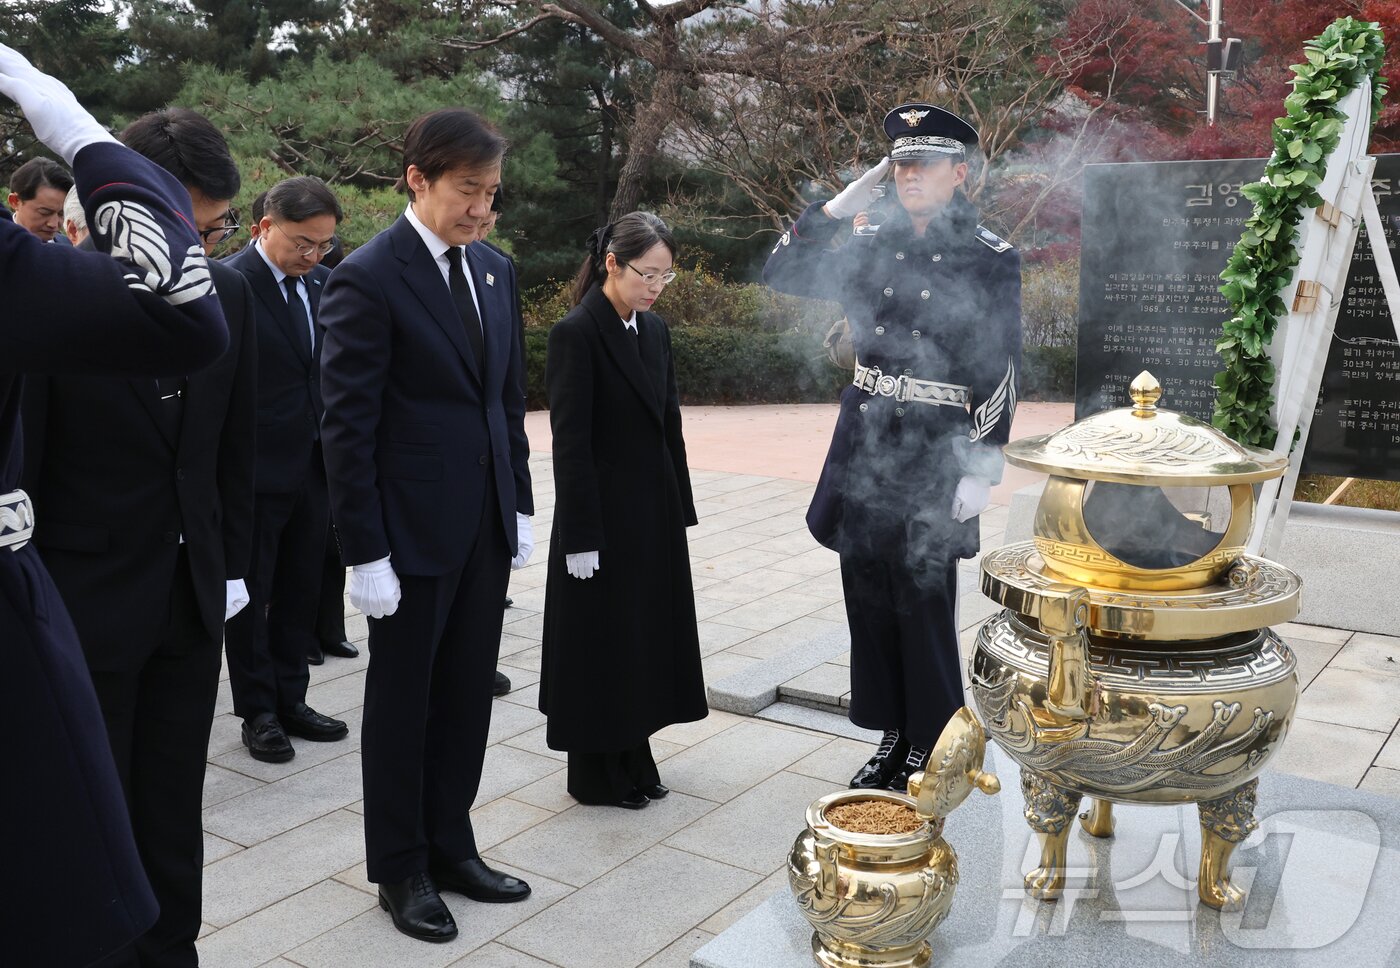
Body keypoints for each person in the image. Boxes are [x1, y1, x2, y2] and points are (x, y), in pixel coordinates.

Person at [0, 45, 229, 965]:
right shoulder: (36, 278)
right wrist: (80, 134)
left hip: (178, 588)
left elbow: (226, 450)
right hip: (82, 600)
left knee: (159, 815)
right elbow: (178, 310)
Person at [319, 107, 535, 943]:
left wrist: (516, 501)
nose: (482, 209)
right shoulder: (369, 277)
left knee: (464, 698)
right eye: (468, 191)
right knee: (405, 704)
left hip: (479, 525)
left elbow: (505, 402)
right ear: (418, 180)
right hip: (405, 537)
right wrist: (363, 550)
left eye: (492, 193)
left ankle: (453, 842)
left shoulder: (494, 272)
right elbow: (346, 426)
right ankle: (400, 866)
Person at [764, 103, 1021, 792]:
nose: (909, 175)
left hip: (936, 448)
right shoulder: (868, 235)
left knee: (923, 594)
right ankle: (892, 733)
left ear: (958, 173)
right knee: (868, 592)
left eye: (923, 164)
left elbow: (1001, 362)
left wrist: (984, 459)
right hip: (867, 437)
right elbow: (783, 270)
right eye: (900, 164)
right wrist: (847, 198)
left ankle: (935, 739)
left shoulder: (989, 255)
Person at [539, 211, 706, 809]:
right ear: (612, 264)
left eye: (666, 276)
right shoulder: (576, 333)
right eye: (647, 274)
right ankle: (594, 771)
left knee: (642, 636)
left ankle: (635, 749)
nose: (656, 286)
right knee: (600, 641)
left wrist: (679, 505)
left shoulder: (653, 330)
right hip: (601, 518)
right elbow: (571, 442)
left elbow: (669, 426)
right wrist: (581, 535)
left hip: (650, 512)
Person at [223, 175, 350, 762]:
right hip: (250, 469)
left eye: (323, 244)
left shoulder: (326, 284)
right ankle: (259, 711)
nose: (313, 255)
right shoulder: (229, 282)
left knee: (302, 585)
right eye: (302, 243)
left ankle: (293, 696)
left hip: (315, 465)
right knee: (252, 592)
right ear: (262, 228)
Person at [6, 155, 72, 242]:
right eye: (44, 213)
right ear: (15, 201)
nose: (53, 224)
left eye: (61, 214)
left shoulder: (70, 247)